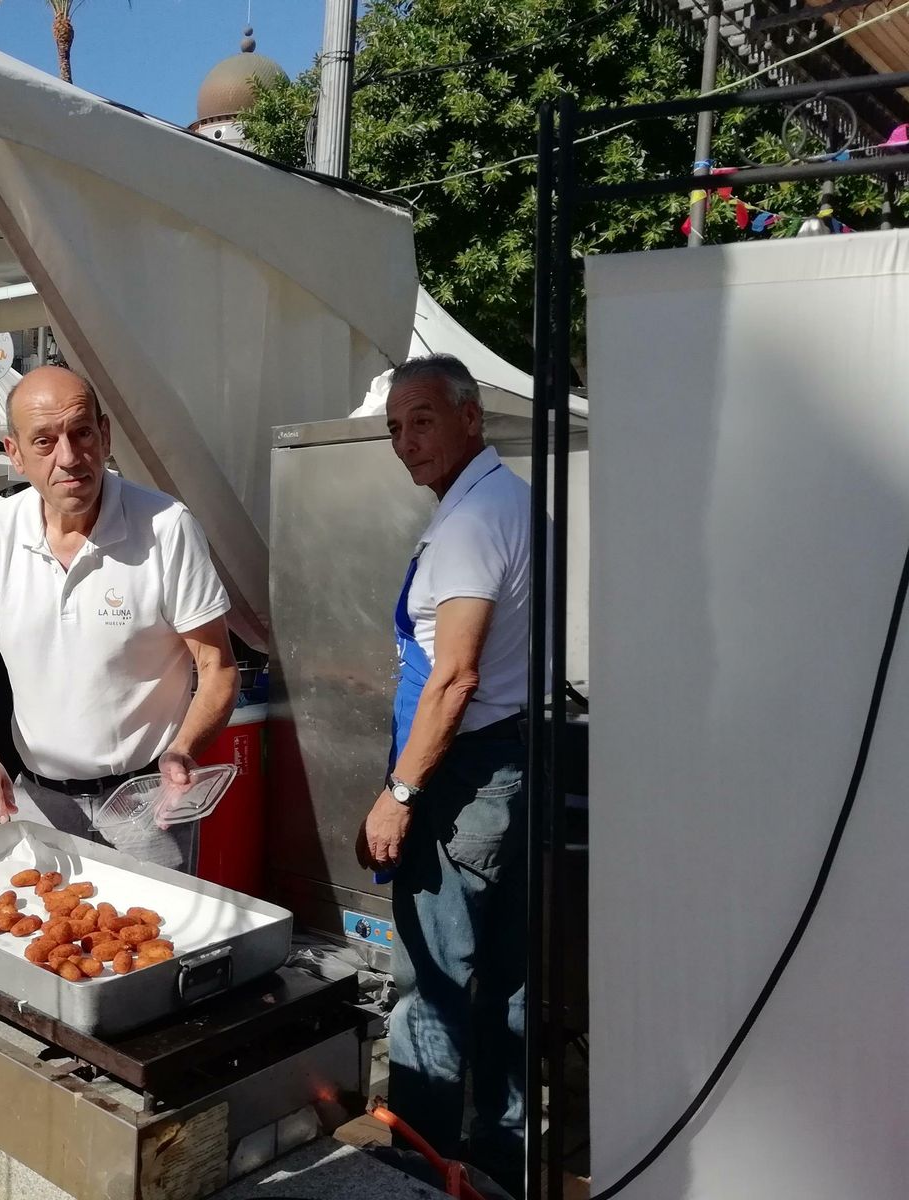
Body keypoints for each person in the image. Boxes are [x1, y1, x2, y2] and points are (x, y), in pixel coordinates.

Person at [0, 366, 238, 872]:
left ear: (105, 434)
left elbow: (219, 669)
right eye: (43, 441)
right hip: (36, 800)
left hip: (148, 801)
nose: (69, 458)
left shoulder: (166, 527)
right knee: (44, 944)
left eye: (81, 433)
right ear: (14, 454)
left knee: (154, 945)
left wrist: (184, 750)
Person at [361, 354, 532, 1195]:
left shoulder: (470, 524)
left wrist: (399, 794)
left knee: (431, 980)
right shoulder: (502, 500)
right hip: (497, 766)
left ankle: (415, 1175)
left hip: (457, 782)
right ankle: (497, 1164)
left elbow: (455, 677)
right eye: (395, 426)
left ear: (472, 417)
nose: (405, 441)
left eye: (421, 419)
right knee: (501, 982)